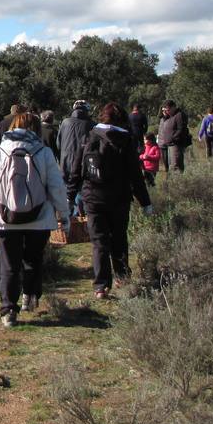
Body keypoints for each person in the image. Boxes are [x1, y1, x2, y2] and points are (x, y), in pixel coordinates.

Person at [0, 111, 68, 327]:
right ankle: (30, 295)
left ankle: (8, 310)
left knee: (9, 263)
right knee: (33, 258)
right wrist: (64, 215)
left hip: (4, 217)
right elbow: (56, 187)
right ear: (35, 128)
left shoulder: (0, 151)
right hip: (39, 217)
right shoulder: (44, 153)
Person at [72, 102, 154, 299]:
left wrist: (70, 196)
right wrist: (145, 202)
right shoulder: (126, 140)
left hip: (92, 197)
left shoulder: (89, 136)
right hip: (119, 197)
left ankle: (101, 286)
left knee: (99, 241)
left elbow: (76, 169)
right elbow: (135, 174)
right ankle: (122, 278)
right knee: (119, 238)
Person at [58, 100, 94, 215]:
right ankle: (81, 221)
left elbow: (58, 143)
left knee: (67, 194)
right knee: (81, 193)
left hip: (65, 164)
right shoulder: (91, 125)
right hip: (82, 165)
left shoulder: (65, 122)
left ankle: (68, 223)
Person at [156, 100, 191, 174]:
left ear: (173, 107)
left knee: (176, 167)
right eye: (165, 110)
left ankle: (178, 183)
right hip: (170, 145)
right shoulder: (170, 116)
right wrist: (165, 116)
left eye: (168, 110)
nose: (167, 111)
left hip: (176, 144)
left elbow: (181, 129)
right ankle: (173, 182)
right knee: (171, 166)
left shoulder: (179, 115)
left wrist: (173, 138)